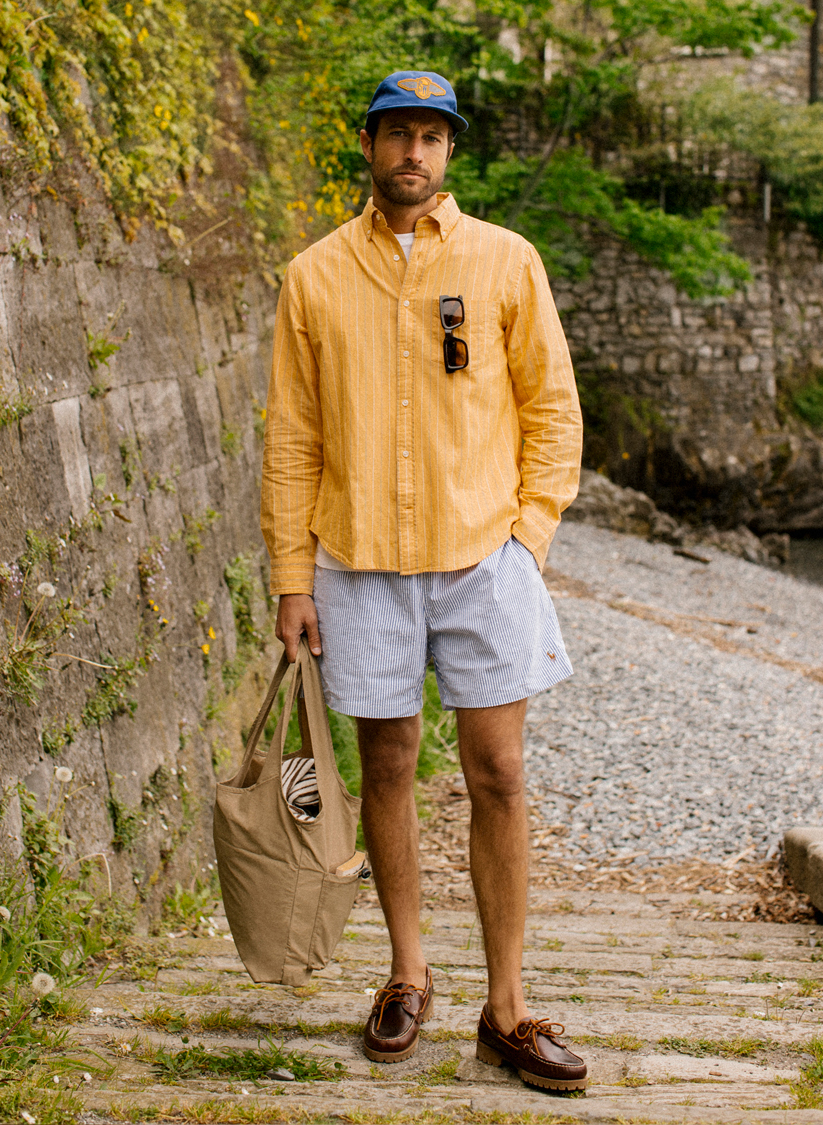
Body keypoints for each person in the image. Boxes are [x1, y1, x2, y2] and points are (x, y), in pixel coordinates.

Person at [261, 70, 587, 1092]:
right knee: (388, 768)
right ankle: (406, 974)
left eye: (432, 138)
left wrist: (525, 543)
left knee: (497, 772)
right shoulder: (313, 277)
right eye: (398, 134)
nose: (415, 153)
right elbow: (292, 438)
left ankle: (508, 1008)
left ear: (449, 152)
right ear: (368, 145)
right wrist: (290, 578)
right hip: (358, 567)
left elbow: (554, 412)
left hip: (485, 560)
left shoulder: (505, 262)